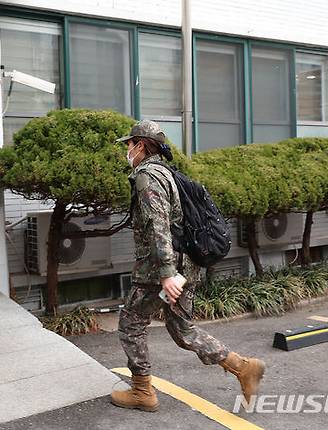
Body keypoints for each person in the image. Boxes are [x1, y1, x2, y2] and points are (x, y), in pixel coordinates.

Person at [110, 119, 265, 412]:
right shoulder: (168, 173)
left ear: (140, 145)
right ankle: (243, 368)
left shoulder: (148, 176)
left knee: (131, 324)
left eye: (128, 144)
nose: (126, 150)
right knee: (182, 329)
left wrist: (166, 273)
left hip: (158, 272)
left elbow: (159, 225)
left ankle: (143, 391)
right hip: (184, 268)